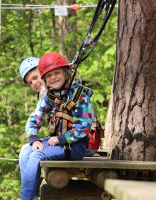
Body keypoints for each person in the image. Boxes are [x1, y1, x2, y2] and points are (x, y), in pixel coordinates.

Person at [19, 52, 93, 200]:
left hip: (74, 145)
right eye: (49, 76)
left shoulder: (79, 95)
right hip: (59, 143)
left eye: (57, 73)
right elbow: (34, 119)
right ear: (45, 79)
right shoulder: (50, 97)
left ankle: (24, 198)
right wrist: (34, 138)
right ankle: (31, 195)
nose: (53, 78)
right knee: (26, 151)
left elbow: (84, 125)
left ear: (66, 73)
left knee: (37, 155)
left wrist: (61, 139)